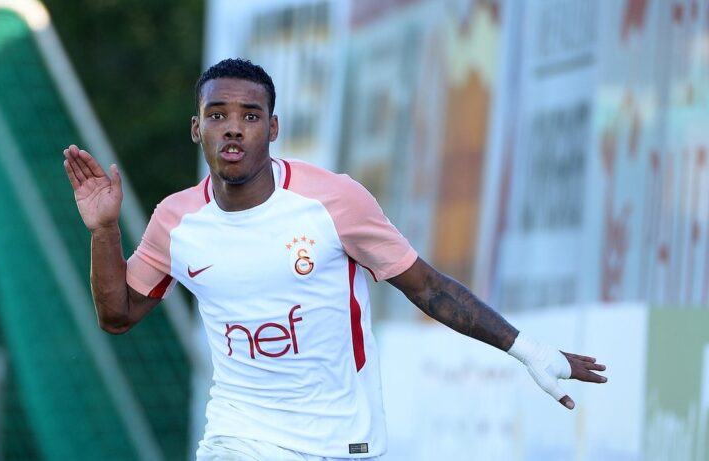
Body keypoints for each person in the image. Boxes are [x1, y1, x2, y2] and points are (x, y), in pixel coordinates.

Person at [63, 58, 607, 460]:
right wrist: (105, 230)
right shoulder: (176, 220)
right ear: (196, 128)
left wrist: (527, 349)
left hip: (341, 438)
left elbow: (428, 288)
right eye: (217, 114)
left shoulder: (333, 200)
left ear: (272, 129)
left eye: (250, 115)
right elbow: (118, 315)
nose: (233, 127)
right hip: (238, 435)